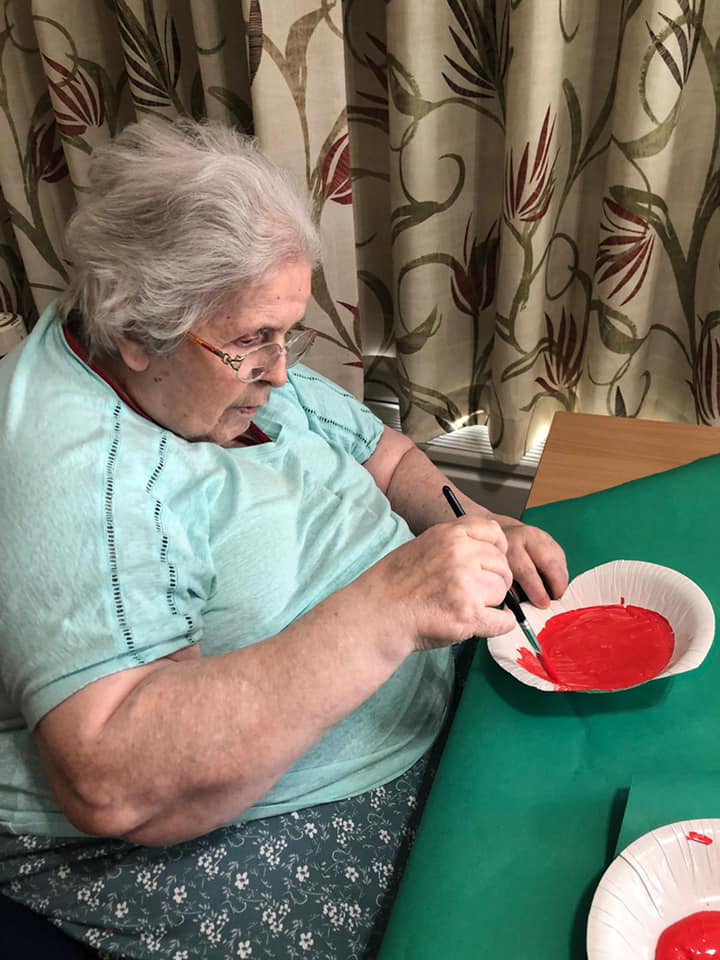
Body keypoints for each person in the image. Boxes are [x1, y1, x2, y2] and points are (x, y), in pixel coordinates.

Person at [0, 118, 568, 959]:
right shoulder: (80, 481)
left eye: (284, 334)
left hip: (415, 695)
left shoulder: (210, 355)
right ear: (135, 335)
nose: (280, 371)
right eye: (252, 343)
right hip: (269, 812)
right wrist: (388, 609)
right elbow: (110, 781)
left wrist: (477, 523)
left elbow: (385, 455)